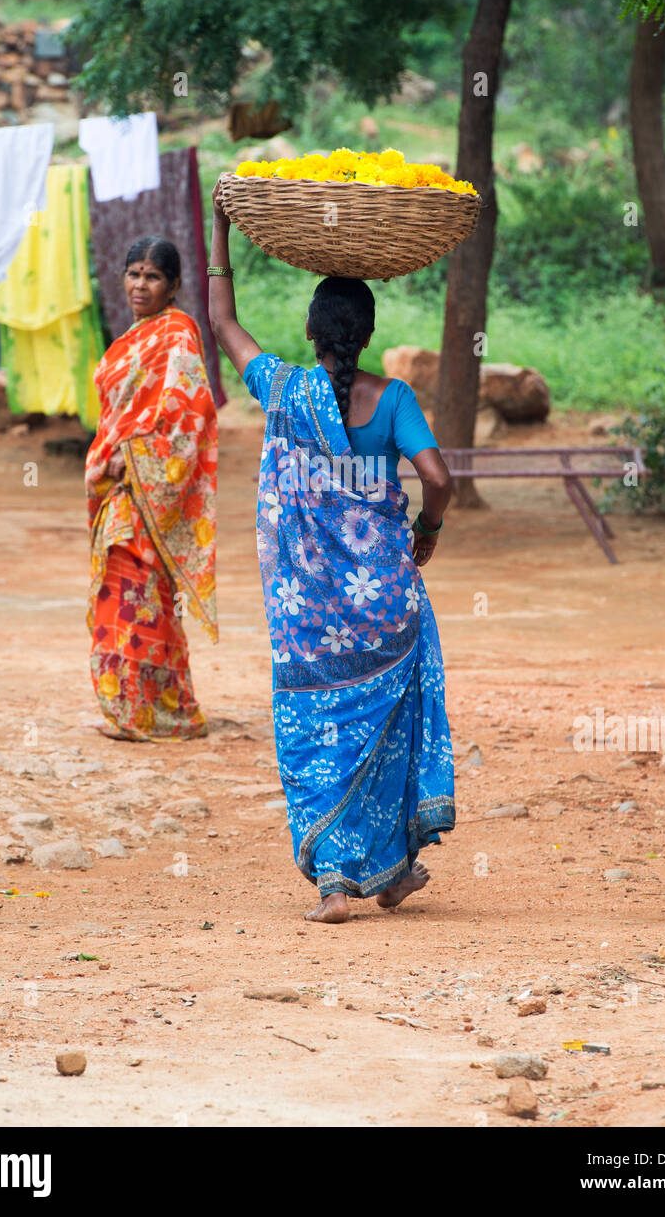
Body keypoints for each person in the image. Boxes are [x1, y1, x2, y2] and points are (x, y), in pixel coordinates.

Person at [208, 180, 455, 922]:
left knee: (317, 730)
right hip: (388, 601)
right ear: (367, 333)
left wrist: (219, 228)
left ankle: (338, 884)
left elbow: (220, 321)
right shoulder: (396, 399)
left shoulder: (283, 390)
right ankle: (394, 868)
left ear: (313, 333)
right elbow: (439, 477)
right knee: (391, 726)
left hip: (309, 615)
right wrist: (428, 531)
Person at [84, 236, 218, 741]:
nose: (141, 284)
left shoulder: (179, 333)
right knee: (127, 596)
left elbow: (190, 415)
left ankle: (153, 713)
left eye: (153, 276)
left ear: (175, 285)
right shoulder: (132, 339)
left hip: (149, 485)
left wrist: (133, 456)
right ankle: (144, 710)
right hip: (121, 491)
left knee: (138, 597)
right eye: (134, 273)